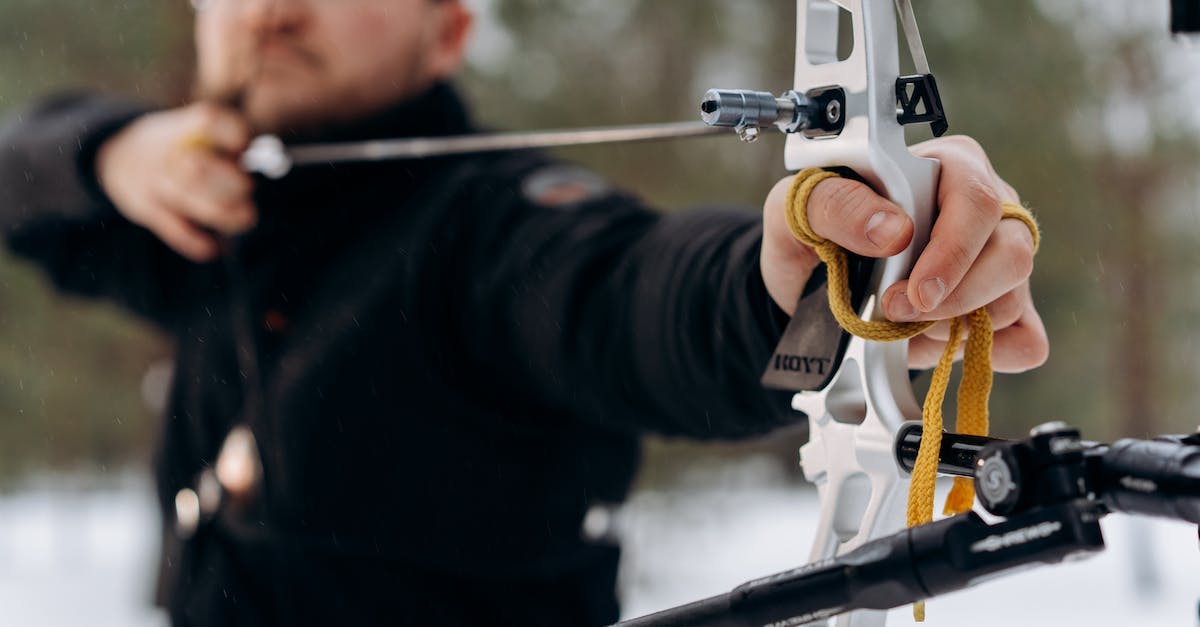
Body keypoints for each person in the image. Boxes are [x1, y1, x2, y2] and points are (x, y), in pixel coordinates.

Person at [0, 0, 1047, 625]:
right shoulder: (206, 219)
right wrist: (109, 154)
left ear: (446, 31)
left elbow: (639, 296)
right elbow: (17, 181)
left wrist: (816, 272)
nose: (274, 7)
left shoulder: (493, 230)